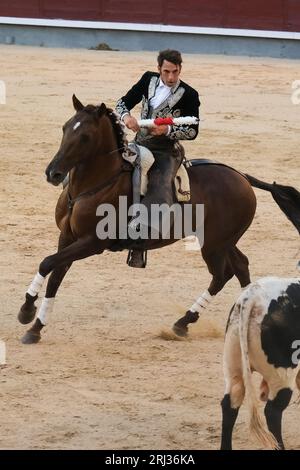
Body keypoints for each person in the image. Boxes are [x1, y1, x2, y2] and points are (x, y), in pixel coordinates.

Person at [116, 49, 200, 267]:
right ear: (158, 69)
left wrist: (168, 132)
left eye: (175, 72)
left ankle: (139, 244)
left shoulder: (190, 94)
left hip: (166, 151)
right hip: (139, 143)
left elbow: (192, 130)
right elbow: (122, 103)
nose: (171, 77)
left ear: (180, 69)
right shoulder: (147, 80)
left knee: (159, 189)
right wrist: (128, 118)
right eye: (166, 72)